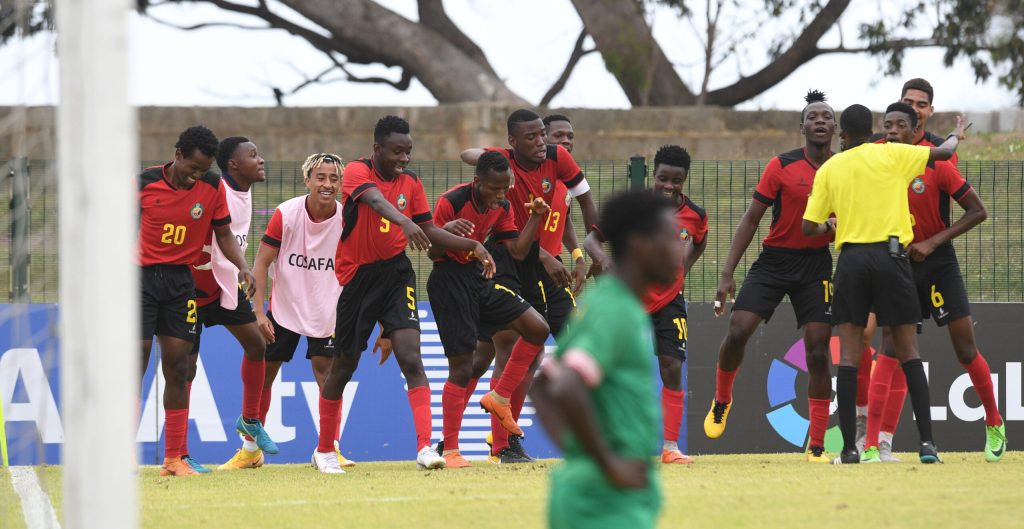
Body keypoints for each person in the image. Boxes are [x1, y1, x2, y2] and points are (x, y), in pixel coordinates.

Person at [311, 115, 495, 474]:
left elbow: (429, 229)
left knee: (411, 358)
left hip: (397, 275)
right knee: (344, 365)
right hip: (358, 278)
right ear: (377, 148)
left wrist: (473, 245)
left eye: (408, 151)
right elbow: (375, 201)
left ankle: (425, 447)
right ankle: (324, 450)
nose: (404, 158)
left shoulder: (411, 182)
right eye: (397, 151)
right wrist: (404, 221)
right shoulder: (357, 172)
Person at [801, 103, 965, 464]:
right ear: (872, 130)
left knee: (848, 356)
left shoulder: (830, 167)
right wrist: (956, 133)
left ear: (843, 135)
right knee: (909, 352)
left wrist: (831, 225)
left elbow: (808, 227)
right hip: (892, 259)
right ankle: (927, 445)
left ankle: (849, 449)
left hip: (852, 261)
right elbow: (945, 153)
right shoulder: (892, 154)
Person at [859, 103, 1005, 463]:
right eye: (887, 125)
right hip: (898, 264)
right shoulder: (877, 161)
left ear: (915, 132)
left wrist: (933, 242)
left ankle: (994, 422)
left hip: (938, 264)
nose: (892, 131)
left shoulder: (936, 164)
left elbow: (978, 211)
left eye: (900, 126)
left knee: (965, 349)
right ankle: (872, 445)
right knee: (889, 345)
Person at [530, 190, 682, 529]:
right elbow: (566, 386)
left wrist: (580, 455)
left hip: (600, 493)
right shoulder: (617, 311)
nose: (679, 249)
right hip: (604, 503)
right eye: (671, 238)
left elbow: (542, 385)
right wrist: (606, 464)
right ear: (641, 245)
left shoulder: (610, 302)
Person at [703, 90, 837, 462]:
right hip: (774, 262)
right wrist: (727, 274)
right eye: (813, 117)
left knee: (818, 352)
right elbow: (751, 219)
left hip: (816, 266)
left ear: (836, 127)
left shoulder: (843, 168)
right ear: (802, 127)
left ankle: (817, 445)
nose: (820, 121)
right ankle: (722, 399)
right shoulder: (781, 165)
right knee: (737, 332)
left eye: (826, 116)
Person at [460, 109, 599, 463]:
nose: (545, 142)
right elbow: (467, 155)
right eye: (536, 136)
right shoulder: (505, 167)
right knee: (498, 354)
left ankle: (596, 435)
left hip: (548, 269)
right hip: (509, 262)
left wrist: (587, 252)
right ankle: (495, 444)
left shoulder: (559, 165)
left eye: (546, 136)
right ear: (513, 142)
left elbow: (578, 209)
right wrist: (492, 159)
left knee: (574, 345)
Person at [138, 126, 266, 477]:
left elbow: (224, 232)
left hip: (182, 283)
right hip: (142, 279)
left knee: (179, 367)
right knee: (135, 364)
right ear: (177, 154)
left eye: (203, 169)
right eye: (192, 168)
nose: (197, 175)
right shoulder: (144, 183)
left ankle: (173, 459)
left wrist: (243, 267)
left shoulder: (211, 186)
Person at [216, 153, 350, 471]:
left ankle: (330, 449)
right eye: (320, 177)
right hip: (284, 305)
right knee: (265, 373)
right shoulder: (287, 213)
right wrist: (259, 313)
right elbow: (261, 263)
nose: (327, 184)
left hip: (327, 308)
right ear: (307, 180)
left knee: (328, 375)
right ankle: (250, 450)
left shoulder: (347, 218)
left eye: (334, 178)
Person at [584, 145, 707, 465]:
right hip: (628, 298)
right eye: (663, 178)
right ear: (654, 174)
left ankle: (670, 447)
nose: (668, 186)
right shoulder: (635, 209)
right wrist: (604, 261)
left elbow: (700, 241)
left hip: (669, 300)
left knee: (672, 366)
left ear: (685, 180)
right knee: (614, 368)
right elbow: (591, 240)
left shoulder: (696, 214)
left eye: (676, 181)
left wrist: (682, 269)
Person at [428, 151, 553, 468]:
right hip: (448, 281)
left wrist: (536, 217)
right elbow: (432, 251)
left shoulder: (504, 207)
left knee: (538, 328)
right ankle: (451, 450)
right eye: (494, 189)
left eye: (505, 188)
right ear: (477, 182)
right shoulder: (452, 201)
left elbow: (518, 251)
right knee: (463, 365)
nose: (501, 195)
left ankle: (499, 397)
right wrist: (452, 232)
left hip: (479, 279)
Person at [855, 78, 958, 435]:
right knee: (863, 337)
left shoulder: (935, 153)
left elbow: (953, 199)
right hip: (873, 255)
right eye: (907, 102)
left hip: (916, 259)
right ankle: (862, 424)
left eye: (920, 104)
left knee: (900, 346)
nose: (913, 109)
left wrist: (932, 242)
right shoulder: (875, 148)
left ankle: (880, 438)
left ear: (928, 113)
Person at [186, 137, 277, 472]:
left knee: (256, 345)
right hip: (195, 286)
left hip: (227, 284)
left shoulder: (245, 191)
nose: (261, 160)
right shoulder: (214, 186)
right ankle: (179, 454)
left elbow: (230, 238)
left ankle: (250, 421)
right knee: (185, 368)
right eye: (253, 155)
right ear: (233, 164)